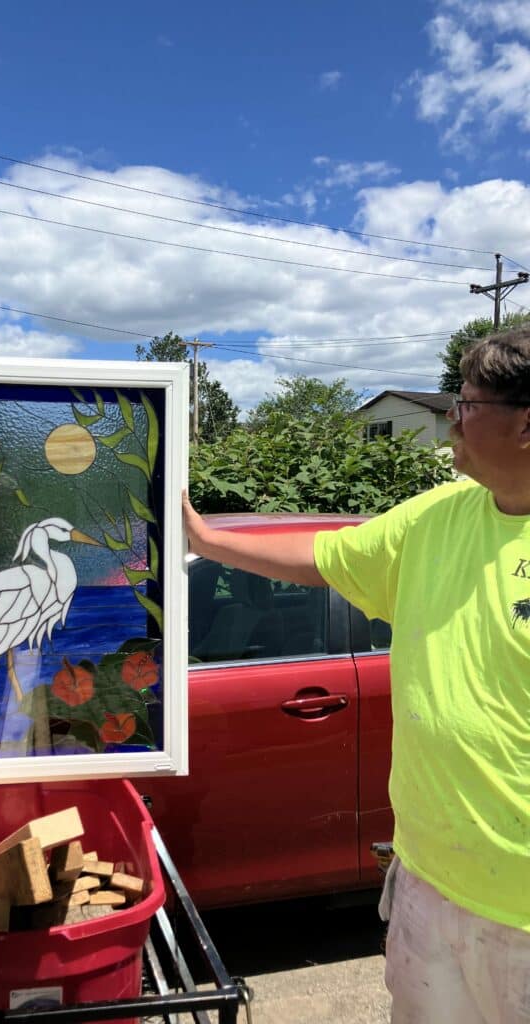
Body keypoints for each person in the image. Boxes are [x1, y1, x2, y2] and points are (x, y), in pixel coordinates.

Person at [183, 326, 530, 1023]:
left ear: (526, 425)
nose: (452, 419)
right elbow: (322, 557)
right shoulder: (437, 517)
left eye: (466, 404)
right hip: (429, 881)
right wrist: (203, 539)